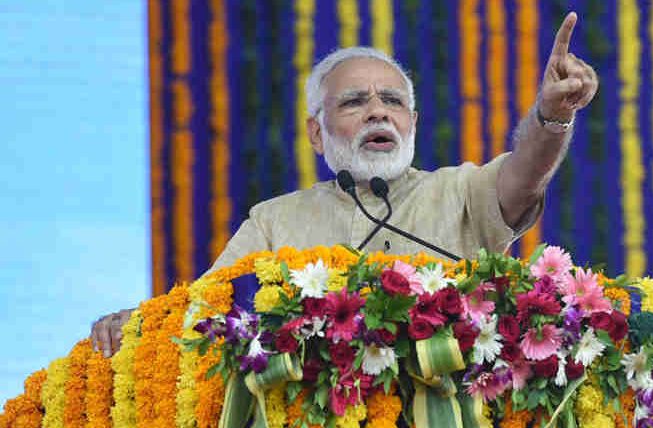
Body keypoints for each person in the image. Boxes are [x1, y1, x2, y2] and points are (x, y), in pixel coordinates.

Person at [91, 12, 597, 357]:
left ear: (413, 123)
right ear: (317, 131)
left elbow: (527, 173)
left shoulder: (460, 191)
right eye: (354, 102)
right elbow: (205, 308)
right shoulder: (275, 221)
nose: (378, 110)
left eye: (393, 101)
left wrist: (551, 115)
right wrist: (142, 321)